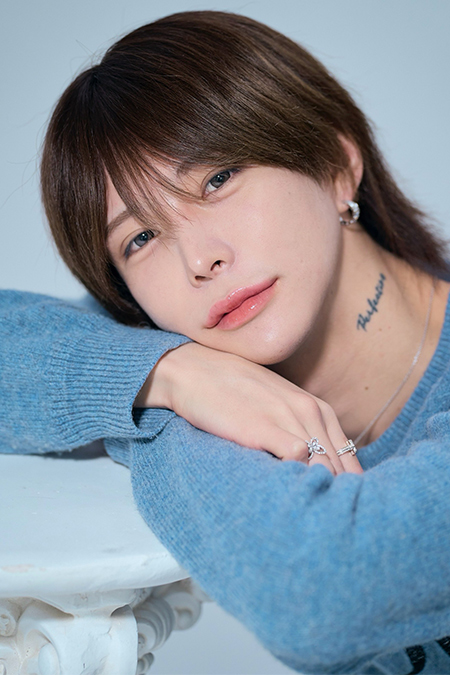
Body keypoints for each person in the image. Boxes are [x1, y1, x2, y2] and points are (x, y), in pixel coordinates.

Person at [1, 10, 450, 674]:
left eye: (217, 180)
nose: (200, 260)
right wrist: (171, 376)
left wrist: (149, 409)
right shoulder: (182, 355)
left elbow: (323, 593)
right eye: (141, 238)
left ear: (336, 165)